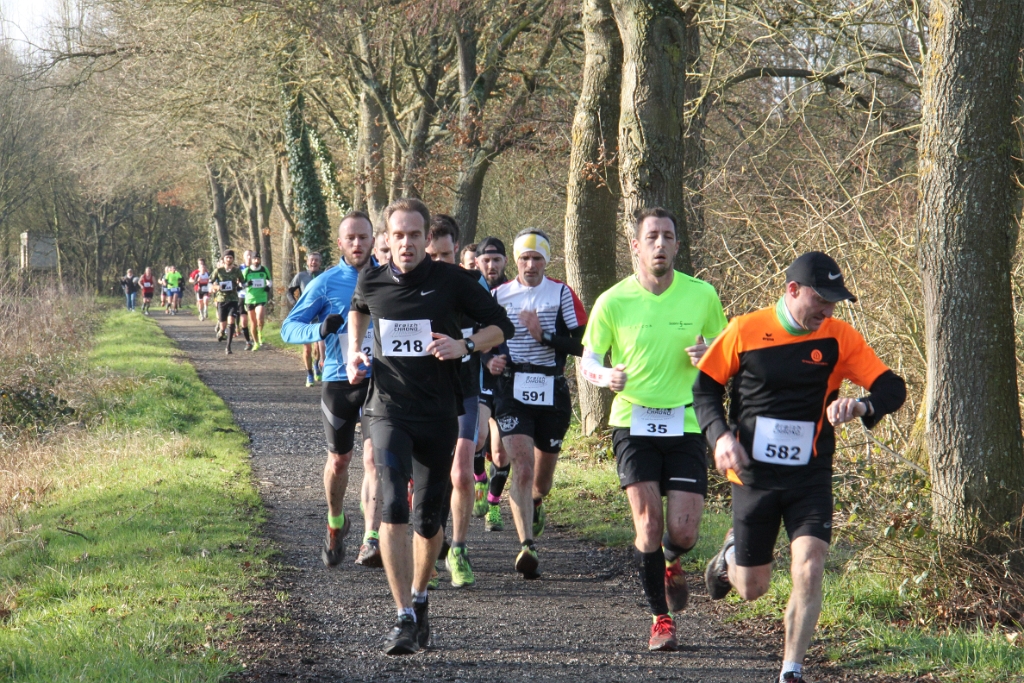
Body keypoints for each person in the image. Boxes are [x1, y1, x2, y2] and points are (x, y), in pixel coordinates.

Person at [693, 251, 907, 683]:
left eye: (834, 302)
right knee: (753, 588)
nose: (828, 311)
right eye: (821, 300)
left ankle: (791, 671)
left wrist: (862, 405)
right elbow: (705, 389)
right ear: (792, 290)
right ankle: (730, 556)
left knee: (810, 563)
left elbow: (893, 387)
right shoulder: (744, 329)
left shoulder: (839, 337)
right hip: (753, 475)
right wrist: (720, 438)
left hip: (810, 474)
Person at [346, 198, 514, 655]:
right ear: (386, 238)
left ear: (426, 238)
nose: (406, 243)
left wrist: (465, 345)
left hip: (438, 413)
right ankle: (402, 615)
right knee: (392, 504)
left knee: (427, 519)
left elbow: (501, 326)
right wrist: (355, 351)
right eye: (398, 235)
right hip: (387, 409)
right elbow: (358, 308)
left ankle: (420, 598)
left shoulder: (453, 281)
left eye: (414, 235)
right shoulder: (371, 278)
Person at [581, 207, 727, 651]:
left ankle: (670, 556)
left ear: (678, 245)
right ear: (636, 246)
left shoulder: (702, 295)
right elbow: (588, 361)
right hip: (633, 421)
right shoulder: (613, 300)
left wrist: (710, 354)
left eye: (667, 236)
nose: (660, 243)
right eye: (651, 237)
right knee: (646, 523)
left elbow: (726, 350)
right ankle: (660, 619)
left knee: (684, 533)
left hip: (686, 421)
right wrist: (605, 376)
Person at [282, 212, 383, 569]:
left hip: (379, 382)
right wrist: (320, 329)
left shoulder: (390, 278)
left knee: (374, 459)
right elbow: (288, 328)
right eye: (350, 238)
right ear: (340, 243)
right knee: (340, 460)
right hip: (340, 381)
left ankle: (372, 539)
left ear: (373, 240)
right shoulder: (325, 283)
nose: (357, 244)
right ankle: (336, 522)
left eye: (363, 237)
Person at [489, 228, 586, 578]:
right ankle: (527, 545)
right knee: (522, 466)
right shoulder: (498, 295)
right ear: (515, 261)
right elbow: (481, 338)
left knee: (540, 482)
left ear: (546, 260)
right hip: (511, 387)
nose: (530, 265)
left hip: (551, 389)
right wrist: (489, 360)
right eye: (525, 258)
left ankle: (536, 501)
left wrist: (543, 336)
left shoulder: (561, 293)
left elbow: (583, 345)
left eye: (537, 258)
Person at [425, 215, 488, 588]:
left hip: (464, 391)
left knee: (462, 472)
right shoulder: (411, 286)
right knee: (426, 480)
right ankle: (429, 552)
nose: (439, 263)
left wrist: (476, 349)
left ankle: (458, 551)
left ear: (458, 250)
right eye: (432, 256)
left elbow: (496, 330)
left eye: (445, 256)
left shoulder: (473, 285)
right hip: (423, 395)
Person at [475, 237, 511, 530]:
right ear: (477, 262)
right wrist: (487, 360)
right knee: (477, 438)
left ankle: (494, 505)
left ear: (505, 262)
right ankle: (478, 480)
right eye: (486, 260)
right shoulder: (471, 291)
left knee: (499, 452)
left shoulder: (514, 292)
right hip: (480, 376)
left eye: (496, 260)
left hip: (510, 381)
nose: (491, 265)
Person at [289, 252, 325, 387]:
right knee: (307, 348)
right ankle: (309, 374)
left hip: (319, 315)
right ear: (307, 262)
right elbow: (289, 291)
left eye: (316, 260)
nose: (314, 262)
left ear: (320, 263)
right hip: (304, 316)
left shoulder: (324, 275)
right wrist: (295, 304)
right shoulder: (301, 276)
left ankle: (316, 364)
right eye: (311, 260)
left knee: (318, 347)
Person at [210, 250, 246, 355]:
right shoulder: (218, 271)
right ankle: (221, 332)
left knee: (231, 321)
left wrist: (241, 286)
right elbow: (209, 283)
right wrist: (216, 287)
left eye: (231, 257)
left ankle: (228, 347)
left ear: (233, 259)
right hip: (221, 299)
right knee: (223, 325)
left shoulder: (237, 271)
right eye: (227, 257)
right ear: (223, 259)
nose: (229, 259)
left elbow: (243, 282)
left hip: (233, 299)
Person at [244, 253, 272, 351]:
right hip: (250, 299)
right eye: (254, 259)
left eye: (258, 259)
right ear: (251, 260)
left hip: (261, 298)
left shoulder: (264, 269)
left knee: (260, 317)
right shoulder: (247, 271)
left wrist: (268, 287)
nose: (256, 261)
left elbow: (270, 281)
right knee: (253, 323)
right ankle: (255, 342)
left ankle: (260, 333)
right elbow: (240, 284)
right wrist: (247, 284)